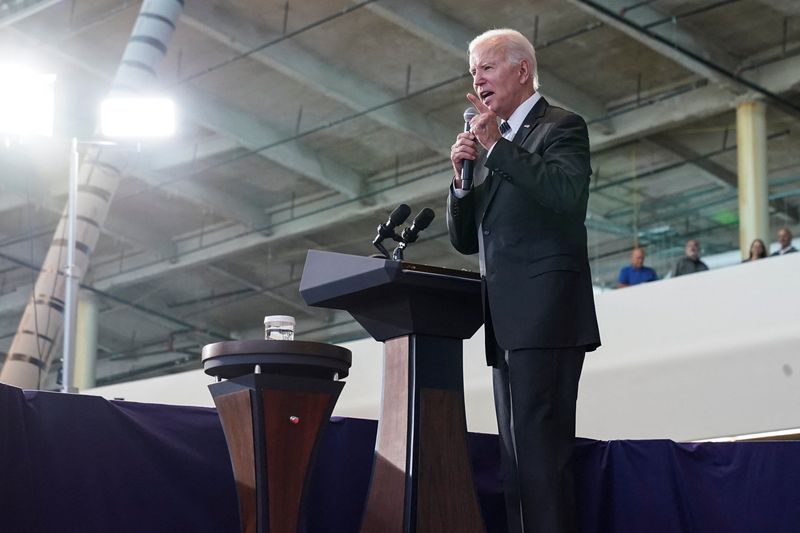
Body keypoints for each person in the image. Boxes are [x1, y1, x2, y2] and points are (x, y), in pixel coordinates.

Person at [447, 28, 600, 533]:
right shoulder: (497, 143)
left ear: (521, 71)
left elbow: (566, 195)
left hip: (548, 320)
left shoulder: (561, 126)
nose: (478, 79)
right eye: (473, 71)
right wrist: (461, 179)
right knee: (516, 472)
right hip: (506, 327)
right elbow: (467, 240)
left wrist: (494, 149)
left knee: (543, 466)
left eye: (486, 68)